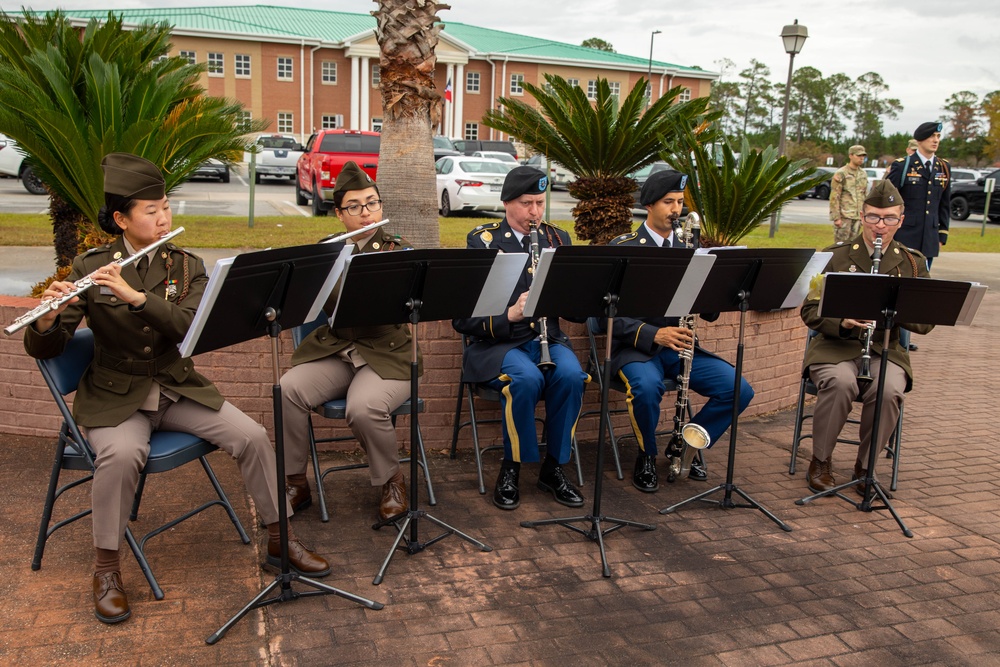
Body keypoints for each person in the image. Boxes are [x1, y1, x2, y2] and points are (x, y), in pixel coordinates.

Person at [23, 153, 330, 625]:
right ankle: (106, 569)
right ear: (122, 219)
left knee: (251, 436)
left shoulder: (187, 266)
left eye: (166, 206)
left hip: (174, 386)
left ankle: (279, 538)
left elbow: (188, 327)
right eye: (151, 210)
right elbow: (47, 346)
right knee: (122, 456)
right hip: (115, 395)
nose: (164, 217)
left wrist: (137, 299)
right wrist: (45, 320)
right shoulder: (91, 265)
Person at [279, 161, 418, 522]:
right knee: (288, 389)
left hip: (386, 353)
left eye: (372, 203)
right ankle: (296, 481)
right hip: (339, 348)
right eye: (354, 206)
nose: (366, 212)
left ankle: (392, 481)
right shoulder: (327, 251)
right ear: (339, 213)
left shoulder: (398, 249)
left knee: (363, 408)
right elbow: (305, 304)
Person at [607, 169, 754, 492]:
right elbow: (605, 314)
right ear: (649, 205)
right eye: (668, 202)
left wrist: (715, 283)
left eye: (680, 202)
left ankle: (688, 444)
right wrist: (653, 334)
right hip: (636, 348)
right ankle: (646, 455)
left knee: (739, 389)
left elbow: (709, 310)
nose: (676, 210)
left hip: (681, 347)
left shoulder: (691, 248)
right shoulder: (624, 246)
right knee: (646, 388)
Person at [453, 166, 588, 511]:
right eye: (527, 203)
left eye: (540, 203)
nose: (535, 212)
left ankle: (553, 467)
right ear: (507, 203)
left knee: (572, 376)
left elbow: (576, 312)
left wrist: (571, 296)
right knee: (525, 379)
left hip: (548, 340)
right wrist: (509, 314)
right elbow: (463, 317)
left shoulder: (558, 240)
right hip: (499, 343)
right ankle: (511, 467)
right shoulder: (482, 241)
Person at [801, 179, 933, 494]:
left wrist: (891, 310)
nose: (880, 225)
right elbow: (810, 311)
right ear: (862, 217)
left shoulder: (913, 263)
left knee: (889, 390)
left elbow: (926, 322)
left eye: (889, 218)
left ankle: (866, 468)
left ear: (901, 221)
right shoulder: (835, 256)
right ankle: (820, 460)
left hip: (885, 350)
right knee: (840, 382)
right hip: (835, 348)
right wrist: (843, 321)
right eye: (873, 216)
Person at [886, 121, 951, 268]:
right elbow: (888, 200)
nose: (936, 140)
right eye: (931, 136)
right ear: (920, 140)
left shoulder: (943, 167)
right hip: (904, 236)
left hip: (929, 238)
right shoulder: (903, 165)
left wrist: (942, 234)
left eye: (938, 136)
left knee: (923, 282)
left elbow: (944, 203)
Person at [830, 145, 868, 244]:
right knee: (841, 246)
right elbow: (835, 196)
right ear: (850, 156)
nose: (861, 158)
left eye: (863, 156)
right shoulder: (841, 173)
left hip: (858, 216)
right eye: (858, 155)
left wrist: (865, 215)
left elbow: (864, 195)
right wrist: (836, 217)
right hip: (844, 216)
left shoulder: (863, 174)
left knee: (855, 245)